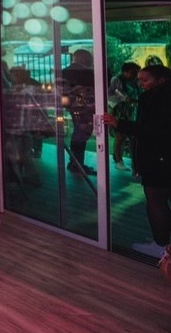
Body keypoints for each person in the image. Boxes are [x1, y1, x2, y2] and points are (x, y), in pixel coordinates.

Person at [102, 64, 171, 279]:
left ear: (160, 80)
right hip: (163, 156)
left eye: (145, 80)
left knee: (156, 200)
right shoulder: (156, 96)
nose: (141, 84)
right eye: (139, 80)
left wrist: (118, 123)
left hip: (158, 157)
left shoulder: (155, 99)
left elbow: (150, 129)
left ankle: (164, 246)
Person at [61, 49, 95, 175]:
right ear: (83, 58)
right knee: (81, 135)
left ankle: (75, 162)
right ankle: (77, 164)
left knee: (77, 134)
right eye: (89, 59)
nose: (91, 61)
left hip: (72, 107)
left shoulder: (65, 71)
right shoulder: (85, 73)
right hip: (84, 108)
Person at [107, 62, 140, 171]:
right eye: (132, 72)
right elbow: (110, 95)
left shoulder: (135, 81)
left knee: (130, 135)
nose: (135, 74)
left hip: (132, 110)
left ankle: (128, 159)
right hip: (121, 111)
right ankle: (118, 160)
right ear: (125, 72)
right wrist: (122, 100)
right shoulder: (117, 80)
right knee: (120, 135)